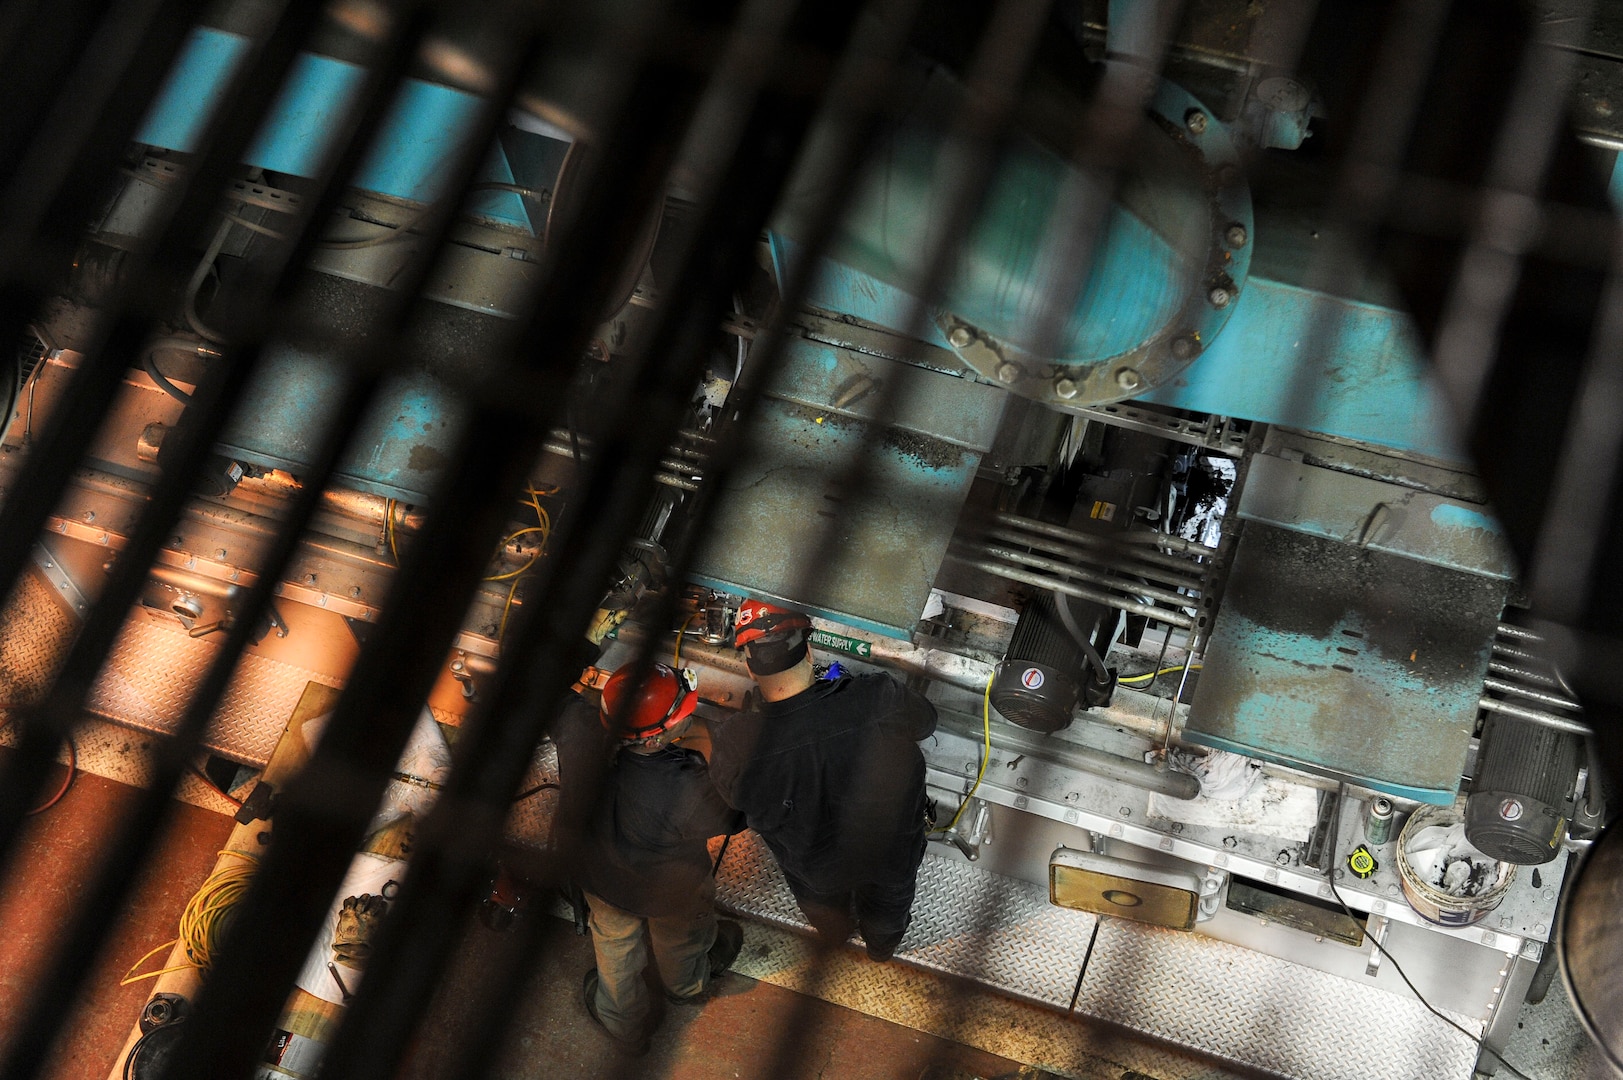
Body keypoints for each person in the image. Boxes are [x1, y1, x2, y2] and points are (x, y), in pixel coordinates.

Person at [708, 599, 938, 962]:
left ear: (750, 669)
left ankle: (836, 938)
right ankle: (881, 950)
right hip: (889, 858)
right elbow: (926, 721)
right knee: (887, 912)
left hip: (813, 870)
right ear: (810, 652)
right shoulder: (875, 699)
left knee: (825, 913)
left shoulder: (736, 743)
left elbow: (733, 801)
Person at [553, 661, 745, 1055]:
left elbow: (547, 691)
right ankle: (685, 986)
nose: (687, 720)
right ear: (657, 738)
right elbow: (738, 817)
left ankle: (623, 1020)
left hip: (599, 878)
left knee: (614, 945)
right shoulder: (684, 788)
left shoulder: (578, 728)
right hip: (671, 892)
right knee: (682, 940)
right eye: (683, 717)